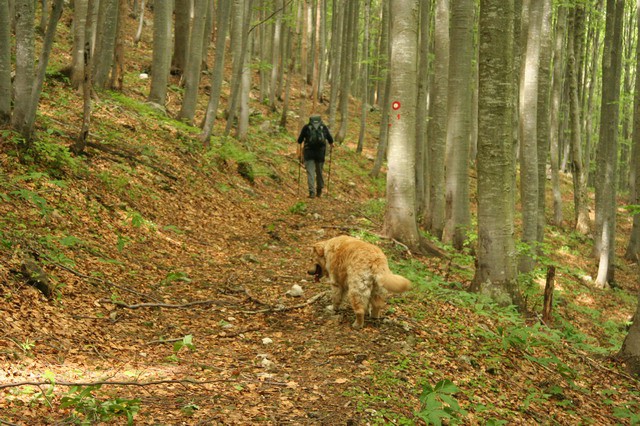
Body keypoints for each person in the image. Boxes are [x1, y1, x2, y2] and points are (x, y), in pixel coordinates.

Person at [297, 115, 334, 198]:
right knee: (319, 172)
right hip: (320, 154)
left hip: (309, 153)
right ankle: (319, 191)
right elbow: (330, 139)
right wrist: (331, 144)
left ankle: (311, 192)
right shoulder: (323, 127)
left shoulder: (306, 127)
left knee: (310, 173)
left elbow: (299, 140)